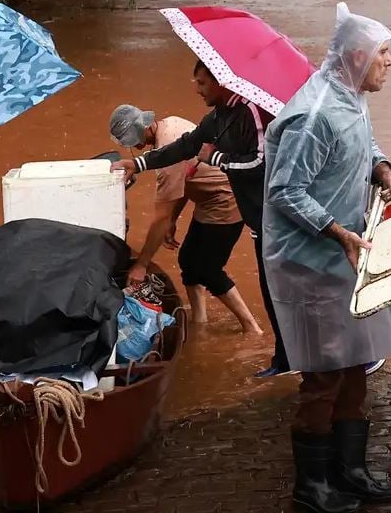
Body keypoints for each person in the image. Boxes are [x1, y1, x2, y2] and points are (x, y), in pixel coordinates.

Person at [263, 3, 391, 513]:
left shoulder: (351, 97)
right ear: (356, 56)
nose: (389, 62)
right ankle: (312, 486)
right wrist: (336, 231)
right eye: (383, 53)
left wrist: (385, 171)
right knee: (324, 373)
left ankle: (350, 472)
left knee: (355, 366)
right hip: (310, 259)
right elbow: (285, 190)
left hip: (346, 251)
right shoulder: (315, 113)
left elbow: (365, 144)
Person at [111, 59, 299, 376]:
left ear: (221, 83)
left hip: (251, 210)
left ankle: (270, 344)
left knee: (224, 273)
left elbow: (258, 164)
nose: (196, 90)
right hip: (248, 213)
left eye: (202, 83)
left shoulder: (248, 113)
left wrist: (213, 157)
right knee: (200, 265)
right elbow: (188, 147)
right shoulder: (217, 117)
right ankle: (277, 357)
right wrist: (140, 164)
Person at [108, 104, 264, 334]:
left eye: (134, 140)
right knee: (188, 262)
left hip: (225, 201)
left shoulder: (167, 151)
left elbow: (160, 216)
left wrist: (141, 264)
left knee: (208, 270)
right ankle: (200, 321)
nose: (135, 147)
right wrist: (174, 219)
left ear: (147, 126)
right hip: (208, 200)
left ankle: (251, 327)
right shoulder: (171, 122)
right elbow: (184, 183)